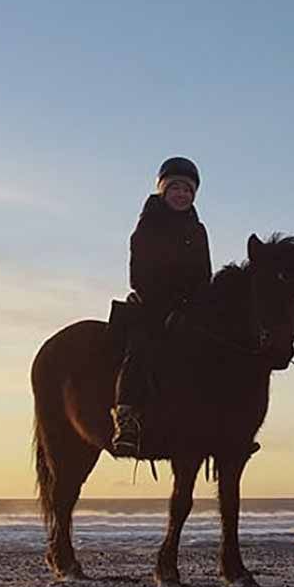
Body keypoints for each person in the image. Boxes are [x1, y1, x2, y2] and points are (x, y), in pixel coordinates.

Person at [111, 156, 211, 457]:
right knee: (141, 347)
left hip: (188, 309)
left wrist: (195, 305)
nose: (182, 194)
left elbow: (204, 274)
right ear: (163, 191)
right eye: (176, 188)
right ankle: (127, 417)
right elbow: (139, 275)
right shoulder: (147, 226)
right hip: (151, 305)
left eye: (188, 190)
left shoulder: (198, 230)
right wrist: (167, 306)